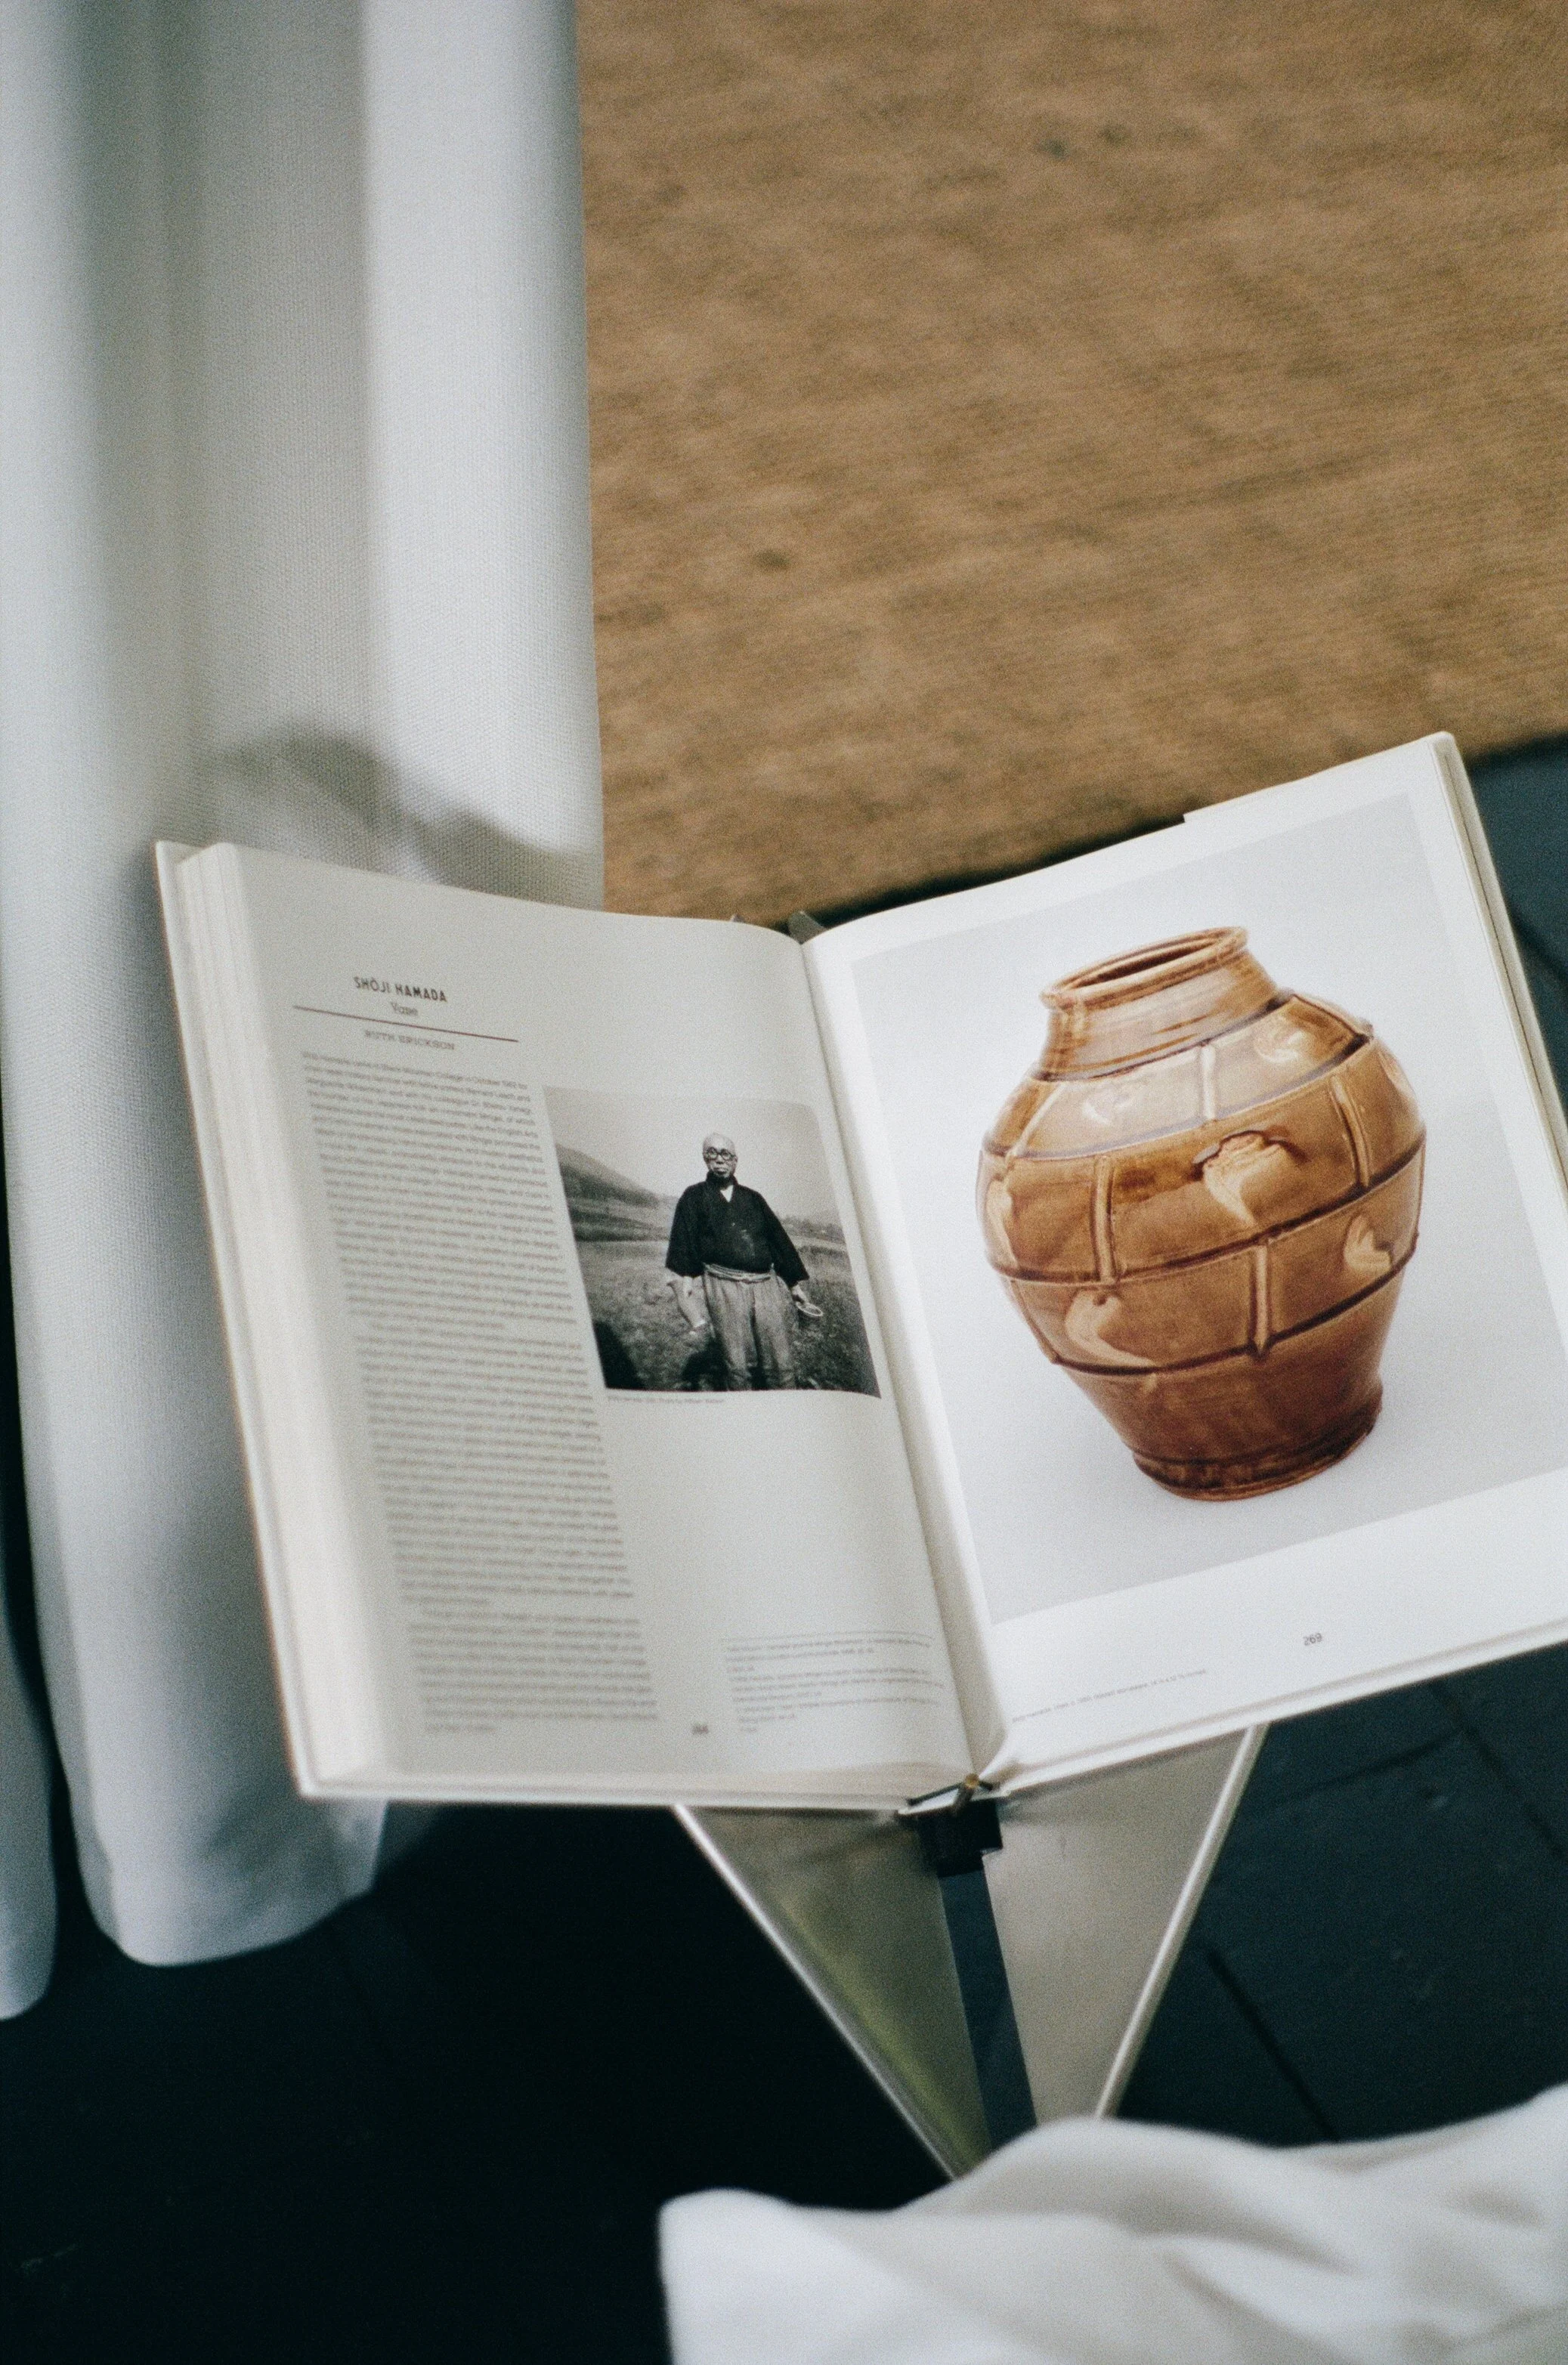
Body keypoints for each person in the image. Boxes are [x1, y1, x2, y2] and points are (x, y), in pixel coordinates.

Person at [665, 1134, 821, 1388]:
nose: (719, 1160)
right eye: (712, 1153)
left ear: (736, 1160)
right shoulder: (693, 1197)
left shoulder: (753, 1198)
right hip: (723, 1285)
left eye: (725, 1154)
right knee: (736, 1362)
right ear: (705, 1159)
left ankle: (787, 1402)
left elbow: (777, 1240)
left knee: (779, 1357)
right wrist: (686, 1277)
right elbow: (684, 1238)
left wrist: (794, 1284)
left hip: (764, 1286)